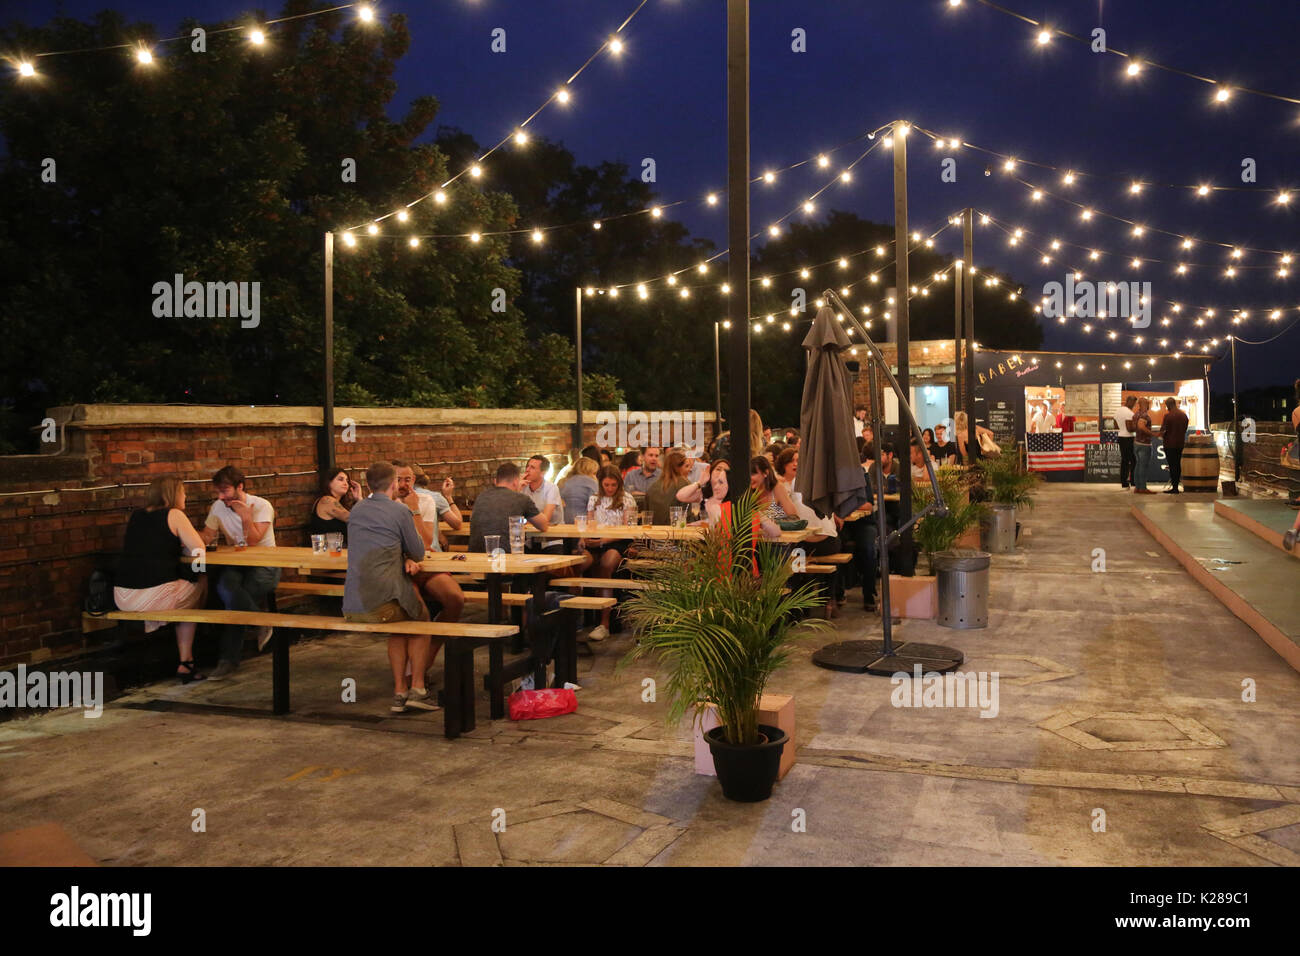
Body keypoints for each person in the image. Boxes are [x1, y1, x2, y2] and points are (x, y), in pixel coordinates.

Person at [342, 461, 439, 714]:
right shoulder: (400, 512)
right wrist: (408, 557)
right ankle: (417, 689)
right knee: (422, 618)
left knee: (398, 626)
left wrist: (401, 556)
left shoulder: (357, 510)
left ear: (367, 485)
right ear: (394, 483)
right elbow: (419, 552)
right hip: (382, 598)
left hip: (352, 601)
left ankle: (399, 692)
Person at [114, 477, 209, 683]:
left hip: (122, 596)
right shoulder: (175, 514)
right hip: (151, 596)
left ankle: (186, 661)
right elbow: (199, 548)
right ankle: (187, 660)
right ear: (172, 495)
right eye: (183, 492)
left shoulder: (136, 516)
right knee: (199, 585)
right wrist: (197, 572)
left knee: (179, 589)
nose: (186, 496)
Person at [199, 466, 278, 680]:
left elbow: (252, 541)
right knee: (225, 588)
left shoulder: (261, 505)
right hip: (237, 563)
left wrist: (245, 517)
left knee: (238, 599)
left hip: (266, 563)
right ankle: (262, 621)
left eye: (224, 491)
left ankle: (227, 662)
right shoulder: (217, 506)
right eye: (218, 492)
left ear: (240, 486)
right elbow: (207, 536)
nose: (221, 496)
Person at [394, 462, 465, 645]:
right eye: (398, 479)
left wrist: (414, 509)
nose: (403, 485)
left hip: (425, 561)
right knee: (418, 612)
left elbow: (425, 542)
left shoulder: (425, 500)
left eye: (407, 480)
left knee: (455, 599)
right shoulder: (383, 503)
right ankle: (417, 666)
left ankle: (431, 647)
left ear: (414, 480)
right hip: (398, 568)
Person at [582, 465, 638, 641]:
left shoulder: (626, 499)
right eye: (606, 485)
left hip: (618, 541)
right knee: (579, 562)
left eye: (613, 485)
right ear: (600, 484)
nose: (610, 488)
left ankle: (604, 623)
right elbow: (590, 523)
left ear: (619, 484)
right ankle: (573, 617)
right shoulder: (594, 499)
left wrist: (603, 541)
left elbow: (627, 530)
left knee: (607, 563)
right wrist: (586, 538)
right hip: (596, 540)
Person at [467, 462, 550, 553]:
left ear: (496, 480)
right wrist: (518, 492)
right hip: (504, 557)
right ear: (515, 482)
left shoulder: (481, 496)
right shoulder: (521, 499)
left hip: (476, 555)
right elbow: (544, 525)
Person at [521, 455, 564, 554]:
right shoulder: (522, 488)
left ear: (543, 473)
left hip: (550, 539)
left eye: (532, 468)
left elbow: (545, 519)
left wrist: (524, 522)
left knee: (553, 567)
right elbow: (513, 516)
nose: (527, 470)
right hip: (528, 539)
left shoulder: (551, 488)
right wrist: (516, 489)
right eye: (527, 466)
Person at [309, 467, 361, 542]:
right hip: (327, 551)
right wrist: (360, 499)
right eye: (340, 479)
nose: (345, 483)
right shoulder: (327, 501)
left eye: (347, 481)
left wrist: (358, 498)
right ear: (329, 482)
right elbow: (355, 519)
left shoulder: (338, 503)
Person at [646, 449, 693, 524]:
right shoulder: (685, 485)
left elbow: (647, 515)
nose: (690, 470)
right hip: (677, 532)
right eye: (686, 466)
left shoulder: (653, 486)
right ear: (677, 467)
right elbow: (687, 517)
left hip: (655, 533)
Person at [1158, 397, 1190, 494]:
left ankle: (1174, 487)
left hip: (1169, 444)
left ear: (1168, 405)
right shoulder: (1184, 415)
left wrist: (1161, 435)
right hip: (1180, 443)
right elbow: (1184, 430)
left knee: (1172, 465)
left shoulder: (1168, 416)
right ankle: (1176, 486)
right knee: (1177, 464)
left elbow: (1163, 430)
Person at [559, 456, 600, 529]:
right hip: (583, 523)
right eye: (594, 473)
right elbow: (596, 505)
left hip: (563, 523)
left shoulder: (562, 482)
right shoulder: (591, 482)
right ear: (589, 471)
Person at [1132, 397, 1157, 495]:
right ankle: (1142, 488)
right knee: (1143, 466)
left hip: (1136, 443)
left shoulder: (1136, 414)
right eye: (1148, 403)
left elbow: (1135, 427)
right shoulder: (1144, 415)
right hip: (1144, 444)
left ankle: (1137, 487)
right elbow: (1141, 426)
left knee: (1138, 465)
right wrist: (1153, 434)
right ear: (1146, 404)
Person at [1114, 396, 1137, 489]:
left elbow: (1115, 426)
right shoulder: (1129, 413)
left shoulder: (1118, 411)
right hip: (1128, 438)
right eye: (1134, 403)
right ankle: (1133, 481)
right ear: (1130, 401)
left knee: (1124, 460)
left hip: (1120, 436)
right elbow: (1129, 428)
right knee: (1133, 460)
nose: (1134, 406)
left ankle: (1124, 482)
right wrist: (1138, 427)